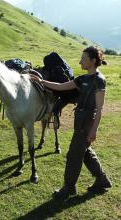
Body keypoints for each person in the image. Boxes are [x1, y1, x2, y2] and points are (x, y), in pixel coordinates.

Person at [30, 46, 112, 199]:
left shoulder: (99, 80)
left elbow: (99, 109)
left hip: (88, 120)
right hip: (80, 119)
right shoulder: (83, 79)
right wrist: (41, 81)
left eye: (83, 59)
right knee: (85, 151)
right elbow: (61, 87)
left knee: (74, 154)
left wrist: (94, 130)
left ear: (93, 61)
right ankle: (102, 180)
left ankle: (69, 188)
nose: (80, 61)